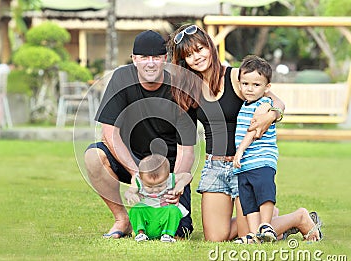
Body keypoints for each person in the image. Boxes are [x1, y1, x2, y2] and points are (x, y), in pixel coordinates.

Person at [168, 24, 322, 242]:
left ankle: (299, 217)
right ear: (184, 61)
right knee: (215, 237)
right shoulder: (188, 91)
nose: (197, 57)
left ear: (210, 47)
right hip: (215, 167)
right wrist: (179, 181)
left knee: (247, 234)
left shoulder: (235, 77)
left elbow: (276, 101)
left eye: (200, 49)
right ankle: (271, 220)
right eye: (189, 55)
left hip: (247, 164)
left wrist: (271, 115)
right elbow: (186, 149)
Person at [84, 30, 197, 239]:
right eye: (144, 57)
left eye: (156, 57)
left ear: (165, 59)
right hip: (131, 162)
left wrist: (173, 184)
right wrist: (137, 172)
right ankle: (122, 220)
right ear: (134, 59)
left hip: (168, 171)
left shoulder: (180, 88)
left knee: (180, 232)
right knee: (93, 156)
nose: (150, 63)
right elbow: (109, 132)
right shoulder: (121, 77)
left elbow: (187, 150)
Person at [232, 55, 279, 244]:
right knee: (248, 200)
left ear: (267, 87)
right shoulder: (245, 105)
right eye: (245, 83)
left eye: (256, 85)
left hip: (261, 159)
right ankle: (254, 234)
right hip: (245, 165)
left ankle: (266, 226)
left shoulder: (263, 106)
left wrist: (240, 150)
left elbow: (253, 131)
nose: (249, 89)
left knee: (264, 192)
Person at [126, 154, 192, 242]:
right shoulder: (138, 181)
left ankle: (167, 235)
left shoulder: (170, 178)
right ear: (141, 178)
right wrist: (131, 195)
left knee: (174, 210)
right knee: (135, 210)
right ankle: (141, 233)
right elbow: (129, 191)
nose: (155, 190)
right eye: (149, 186)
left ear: (167, 176)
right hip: (148, 215)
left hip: (163, 213)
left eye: (160, 185)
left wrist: (180, 184)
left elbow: (187, 176)